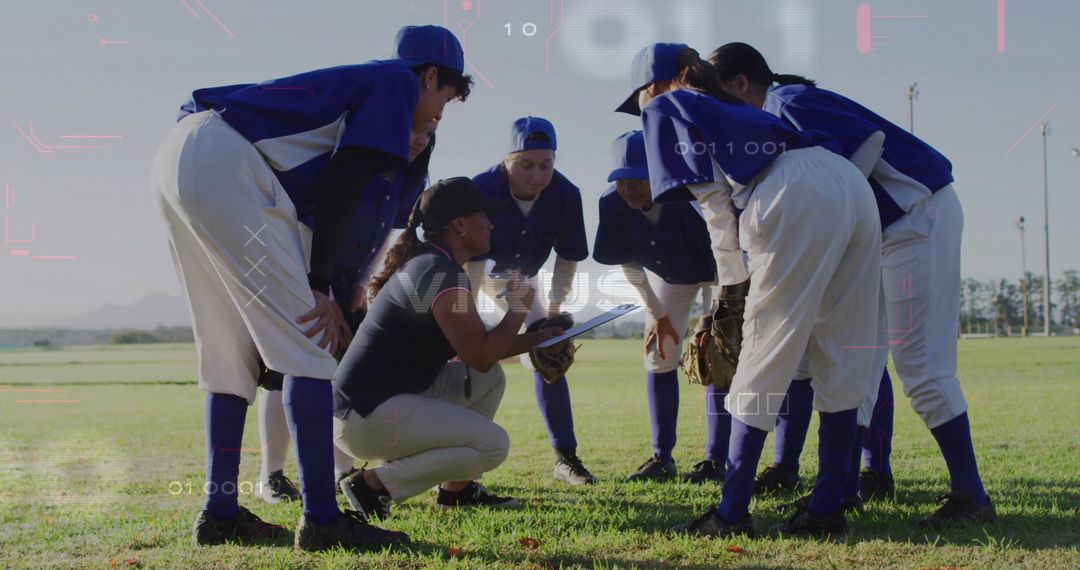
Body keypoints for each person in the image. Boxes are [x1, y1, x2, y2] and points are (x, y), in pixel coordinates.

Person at [152, 25, 471, 551]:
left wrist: (337, 292)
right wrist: (320, 286)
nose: (437, 115)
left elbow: (348, 219)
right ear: (430, 76)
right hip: (227, 161)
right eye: (443, 98)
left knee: (231, 359)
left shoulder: (371, 112)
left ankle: (220, 511)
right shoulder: (396, 82)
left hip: (183, 156)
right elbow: (349, 178)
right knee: (308, 346)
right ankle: (323, 519)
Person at [708, 41, 995, 528]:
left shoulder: (785, 101)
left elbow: (868, 144)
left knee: (921, 368)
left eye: (723, 96)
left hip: (916, 216)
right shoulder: (776, 110)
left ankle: (971, 495)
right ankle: (839, 492)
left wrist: (833, 222)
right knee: (856, 364)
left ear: (741, 83)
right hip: (881, 232)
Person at [618, 43, 881, 538]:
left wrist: (732, 291)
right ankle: (827, 508)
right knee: (843, 348)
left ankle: (732, 512)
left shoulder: (665, 104)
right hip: (845, 182)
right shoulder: (736, 102)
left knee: (763, 352)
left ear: (655, 84)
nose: (640, 107)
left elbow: (716, 206)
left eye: (638, 96)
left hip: (788, 192)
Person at [333, 177, 563, 520]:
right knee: (492, 445)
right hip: (365, 419)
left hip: (369, 410)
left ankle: (457, 493)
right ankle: (370, 484)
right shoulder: (440, 273)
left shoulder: (433, 265)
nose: (490, 224)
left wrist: (538, 340)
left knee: (489, 381)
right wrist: (518, 308)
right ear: (459, 224)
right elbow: (480, 355)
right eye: (483, 216)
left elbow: (478, 351)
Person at [254, 122, 438, 505]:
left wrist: (360, 284)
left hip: (346, 279)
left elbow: (385, 232)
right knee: (283, 371)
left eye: (429, 130)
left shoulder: (407, 175)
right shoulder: (350, 160)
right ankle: (271, 475)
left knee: (338, 373)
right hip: (301, 271)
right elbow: (306, 226)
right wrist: (321, 288)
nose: (420, 139)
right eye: (414, 129)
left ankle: (343, 470)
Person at [465, 117, 595, 485]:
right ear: (507, 160)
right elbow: (471, 265)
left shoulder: (565, 194)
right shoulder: (482, 189)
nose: (537, 175)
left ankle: (565, 458)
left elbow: (568, 259)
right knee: (463, 352)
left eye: (546, 165)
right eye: (526, 165)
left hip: (525, 279)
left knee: (547, 346)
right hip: (476, 274)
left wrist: (553, 314)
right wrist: (467, 320)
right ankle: (455, 464)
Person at [592, 130, 728, 483]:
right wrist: (657, 314)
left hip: (724, 271)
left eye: (638, 179)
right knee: (659, 352)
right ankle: (661, 457)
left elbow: (728, 254)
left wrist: (711, 319)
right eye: (622, 181)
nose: (628, 189)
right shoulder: (612, 202)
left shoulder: (693, 197)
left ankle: (716, 460)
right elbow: (628, 262)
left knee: (717, 356)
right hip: (672, 274)